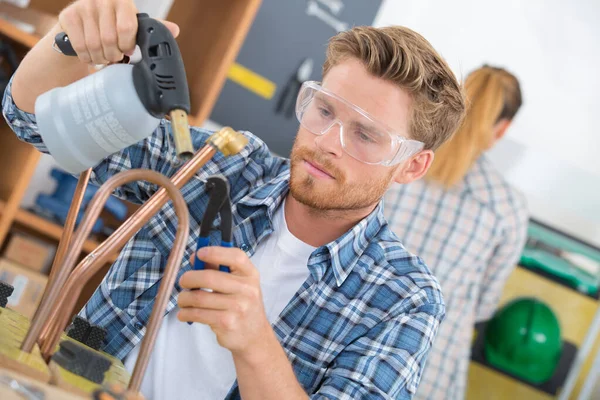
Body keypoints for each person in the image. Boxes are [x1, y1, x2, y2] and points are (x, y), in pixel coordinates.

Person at [2, 0, 466, 398]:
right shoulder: (222, 164)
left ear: (411, 166)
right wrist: (71, 38)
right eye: (323, 110)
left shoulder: (405, 299)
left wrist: (254, 342)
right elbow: (30, 118)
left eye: (366, 134)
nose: (328, 141)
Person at [383, 65, 529, 399]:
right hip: (429, 367)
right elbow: (483, 304)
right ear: (502, 129)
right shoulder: (506, 208)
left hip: (349, 340)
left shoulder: (401, 158)